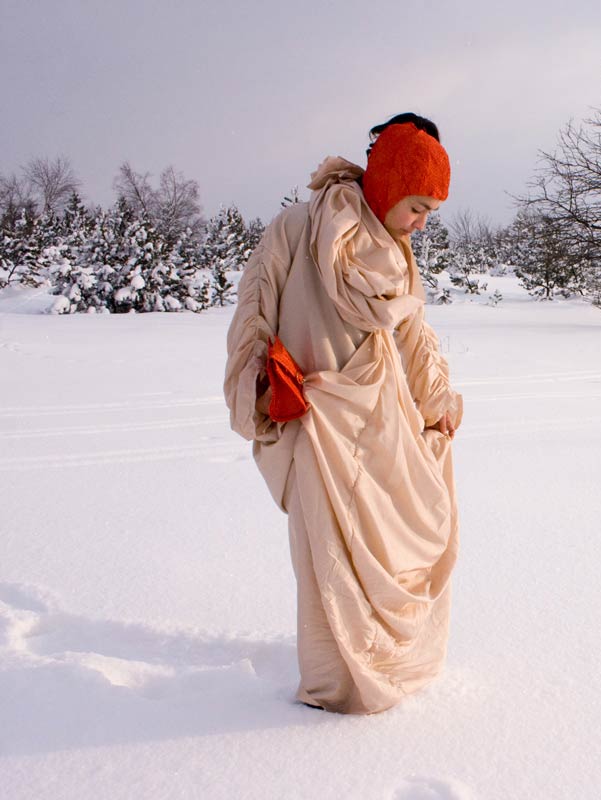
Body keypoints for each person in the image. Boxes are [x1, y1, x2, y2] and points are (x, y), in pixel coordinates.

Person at [223, 113, 464, 715]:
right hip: (314, 427)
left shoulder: (399, 256)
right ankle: (332, 692)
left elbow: (413, 336)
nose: (419, 223)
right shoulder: (295, 231)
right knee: (325, 565)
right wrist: (259, 385)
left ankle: (384, 669)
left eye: (429, 212)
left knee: (387, 554)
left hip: (382, 432)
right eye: (416, 206)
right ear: (385, 184)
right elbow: (253, 313)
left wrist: (438, 405)